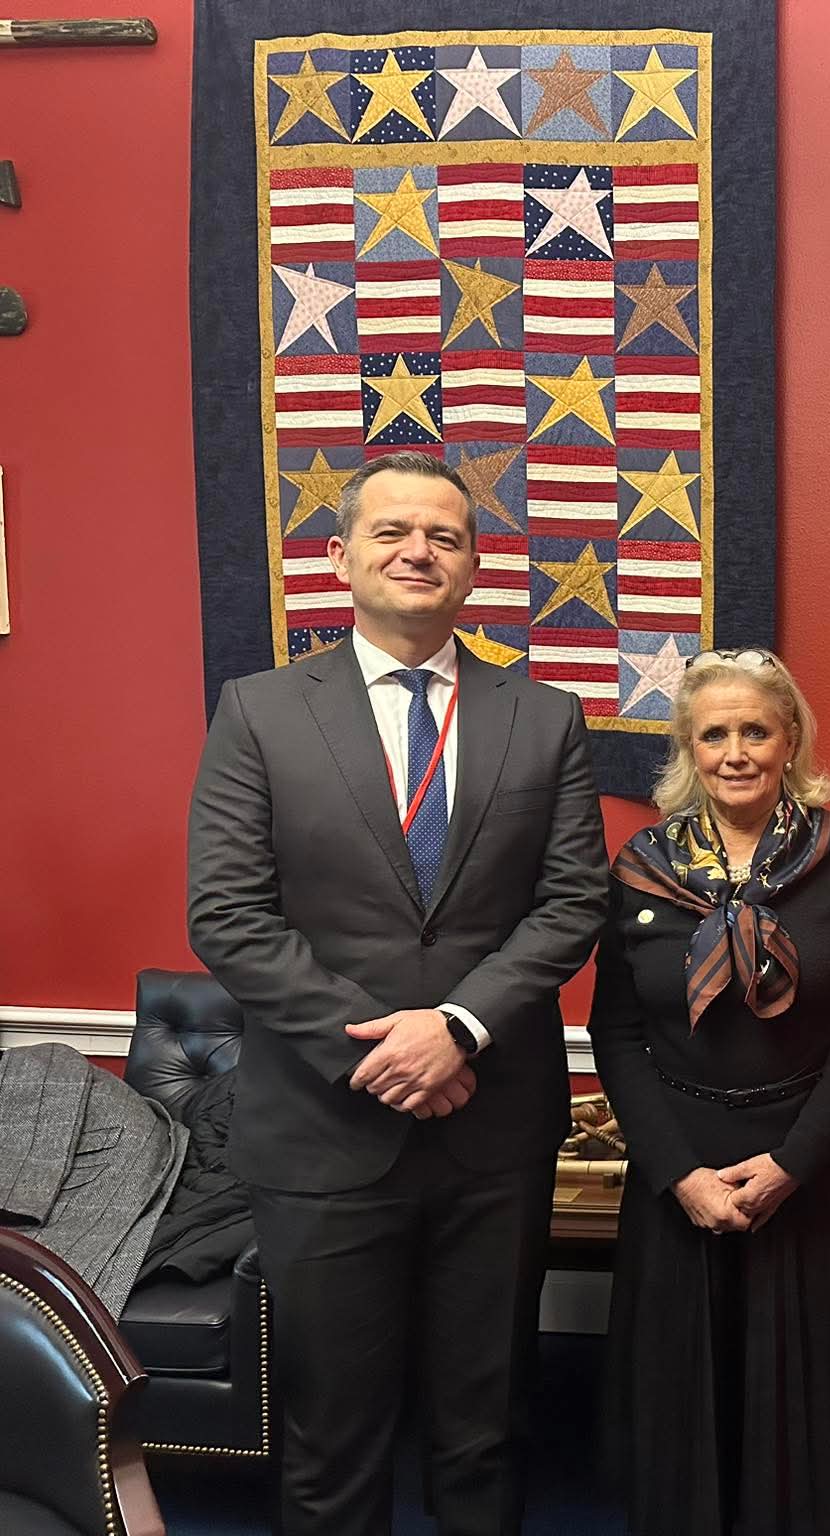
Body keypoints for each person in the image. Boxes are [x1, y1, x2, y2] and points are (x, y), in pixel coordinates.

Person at [186, 450, 608, 1536]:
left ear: (473, 567)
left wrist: (458, 1027)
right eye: (392, 531)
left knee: (486, 1429)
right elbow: (227, 914)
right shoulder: (259, 712)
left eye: (444, 537)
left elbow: (573, 902)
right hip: (321, 1133)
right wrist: (380, 1050)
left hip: (493, 1134)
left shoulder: (546, 717)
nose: (419, 551)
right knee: (331, 1439)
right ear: (340, 558)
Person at [588, 647, 830, 1536]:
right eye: (714, 735)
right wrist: (678, 1175)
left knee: (810, 1450)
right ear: (688, 749)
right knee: (686, 1446)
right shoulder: (640, 865)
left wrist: (791, 1165)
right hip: (683, 1171)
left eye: (755, 732)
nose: (735, 753)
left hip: (818, 1169)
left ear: (790, 742)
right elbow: (616, 1032)